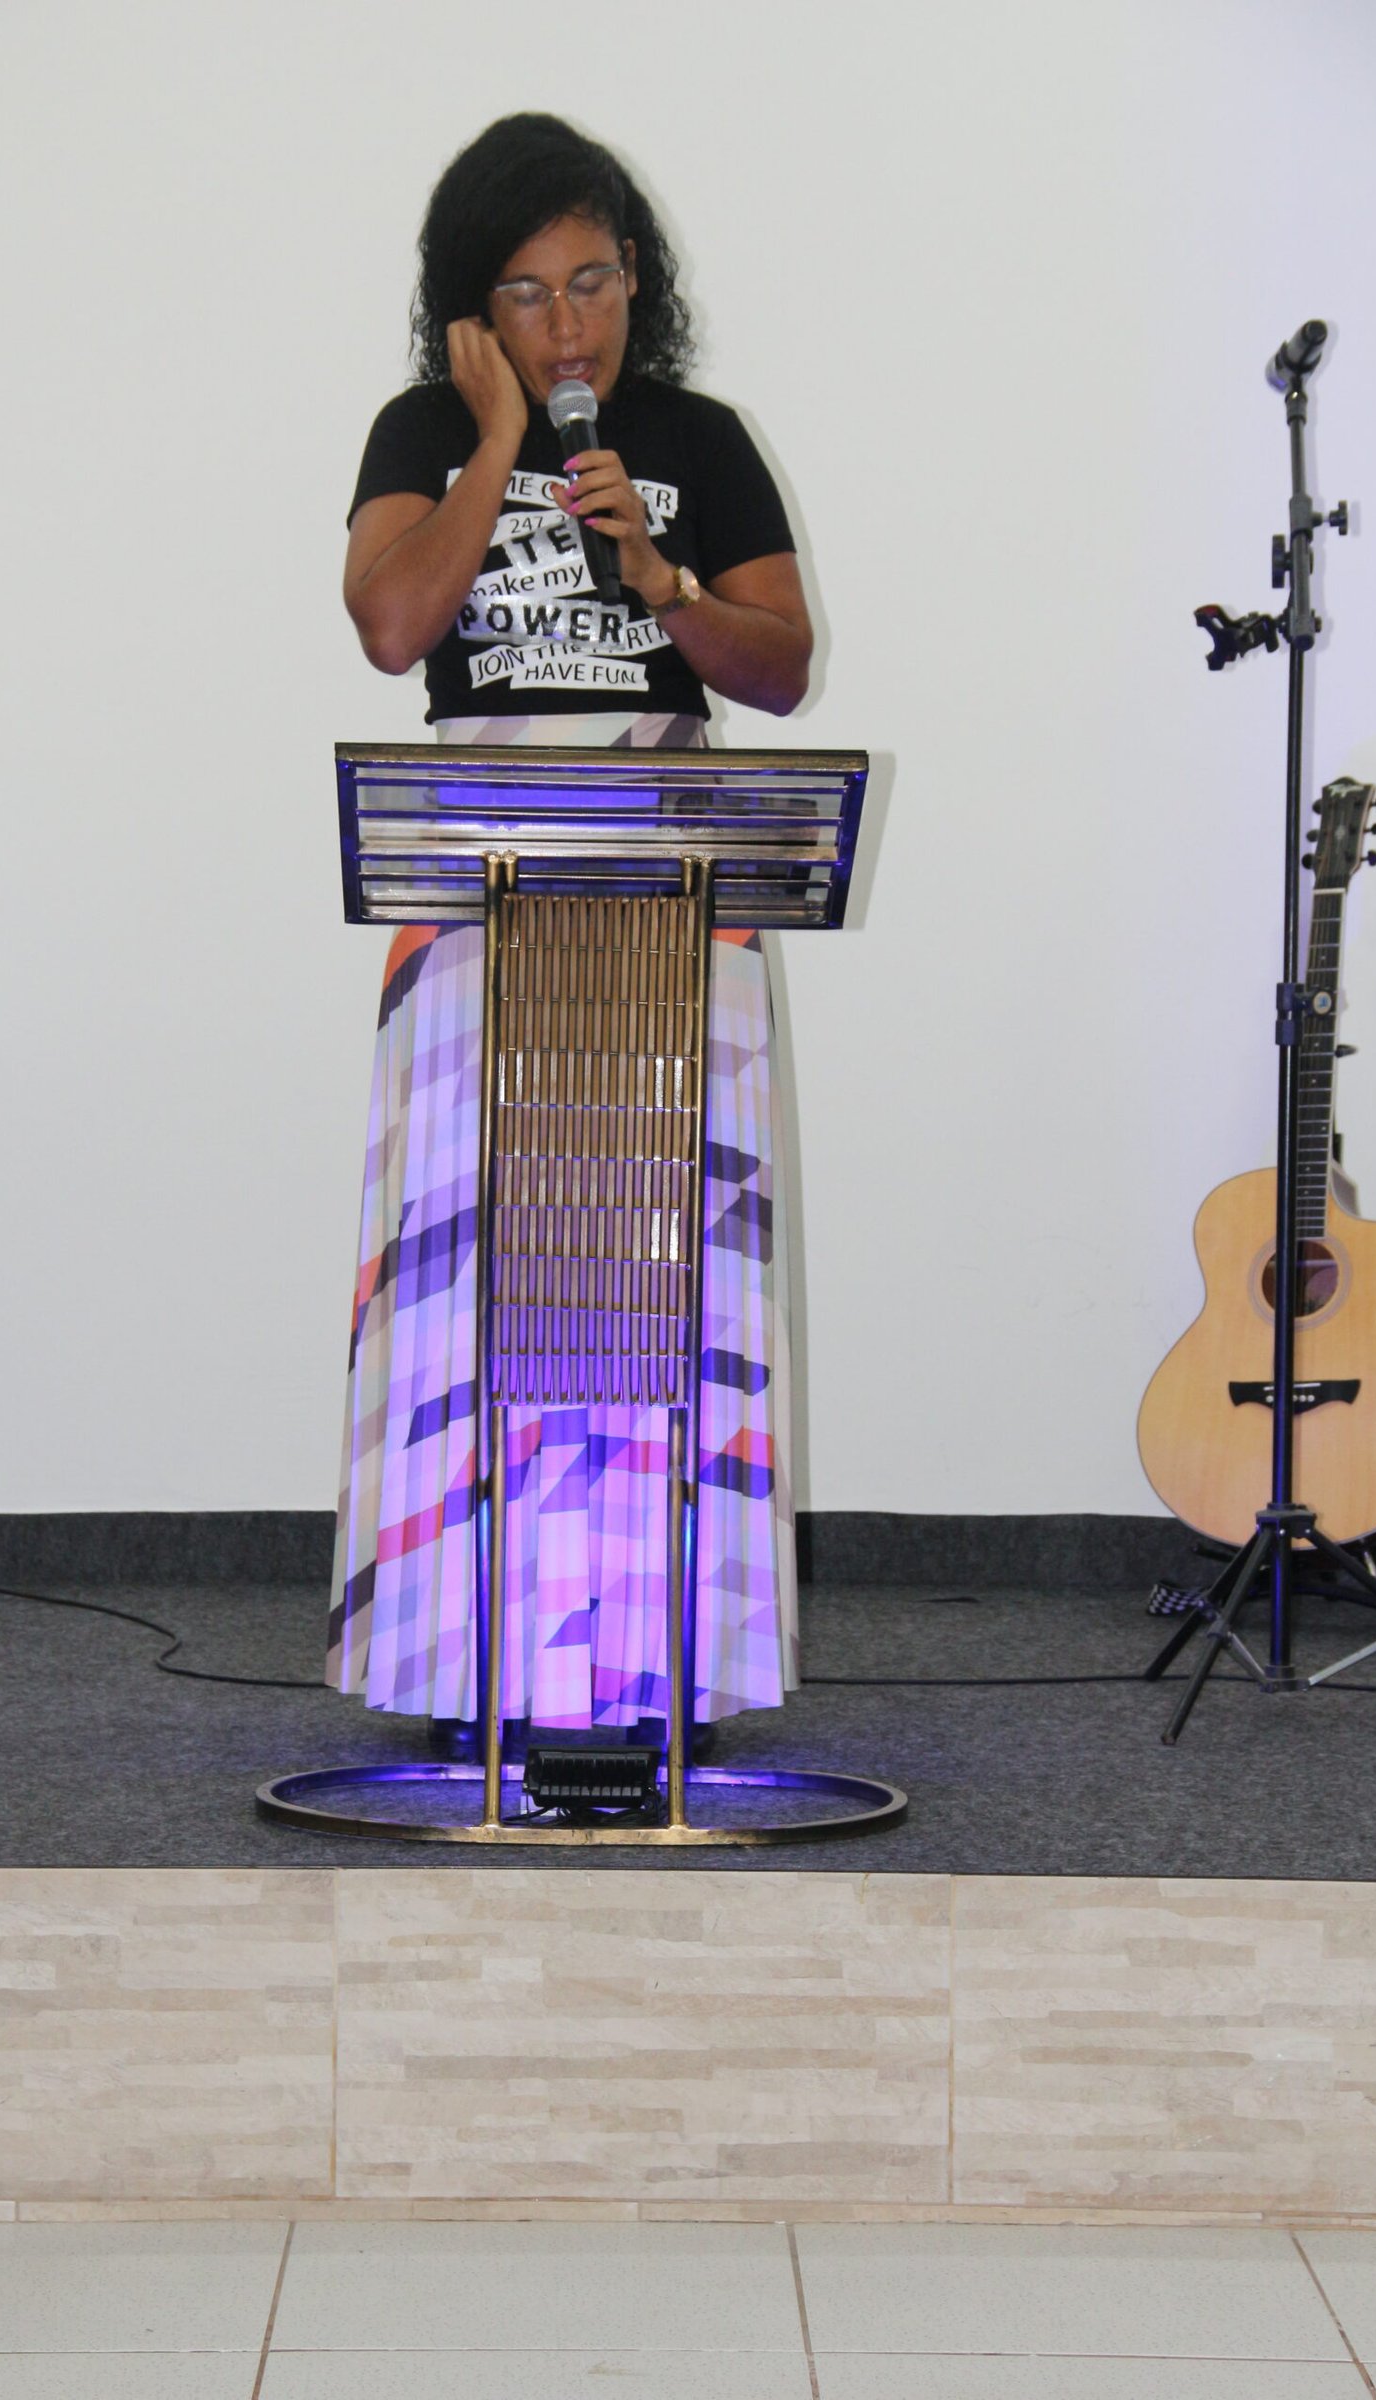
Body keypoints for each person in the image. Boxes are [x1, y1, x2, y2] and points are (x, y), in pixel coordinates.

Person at [327, 112, 813, 1754]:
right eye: (528, 294)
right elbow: (393, 626)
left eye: (593, 281)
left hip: (666, 890)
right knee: (472, 1270)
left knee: (657, 1271)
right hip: (478, 888)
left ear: (637, 280)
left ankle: (657, 1664)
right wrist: (492, 447)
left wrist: (661, 577)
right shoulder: (422, 430)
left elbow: (781, 670)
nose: (568, 323)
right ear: (474, 312)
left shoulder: (697, 437)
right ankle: (459, 1661)